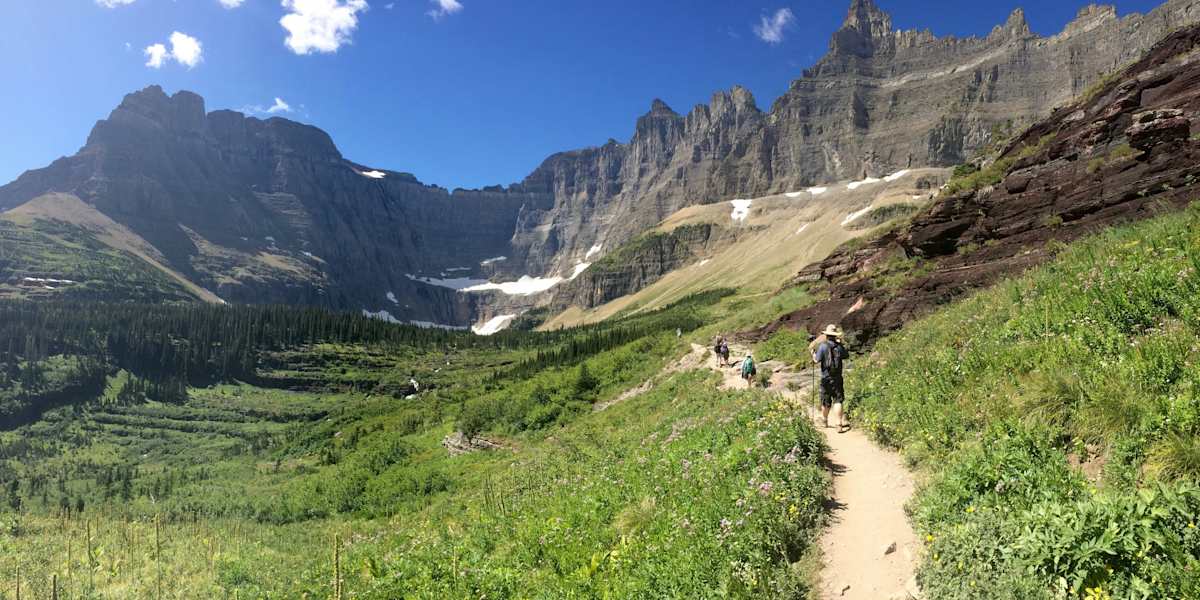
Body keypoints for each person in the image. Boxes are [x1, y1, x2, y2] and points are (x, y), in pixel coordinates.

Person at [813, 324, 850, 432]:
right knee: (838, 400)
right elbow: (846, 355)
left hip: (826, 378)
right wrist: (840, 343)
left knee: (826, 400)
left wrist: (813, 355)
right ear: (835, 335)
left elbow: (817, 360)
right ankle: (839, 424)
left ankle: (824, 421)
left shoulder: (822, 346)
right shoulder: (839, 346)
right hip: (838, 377)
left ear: (827, 335)